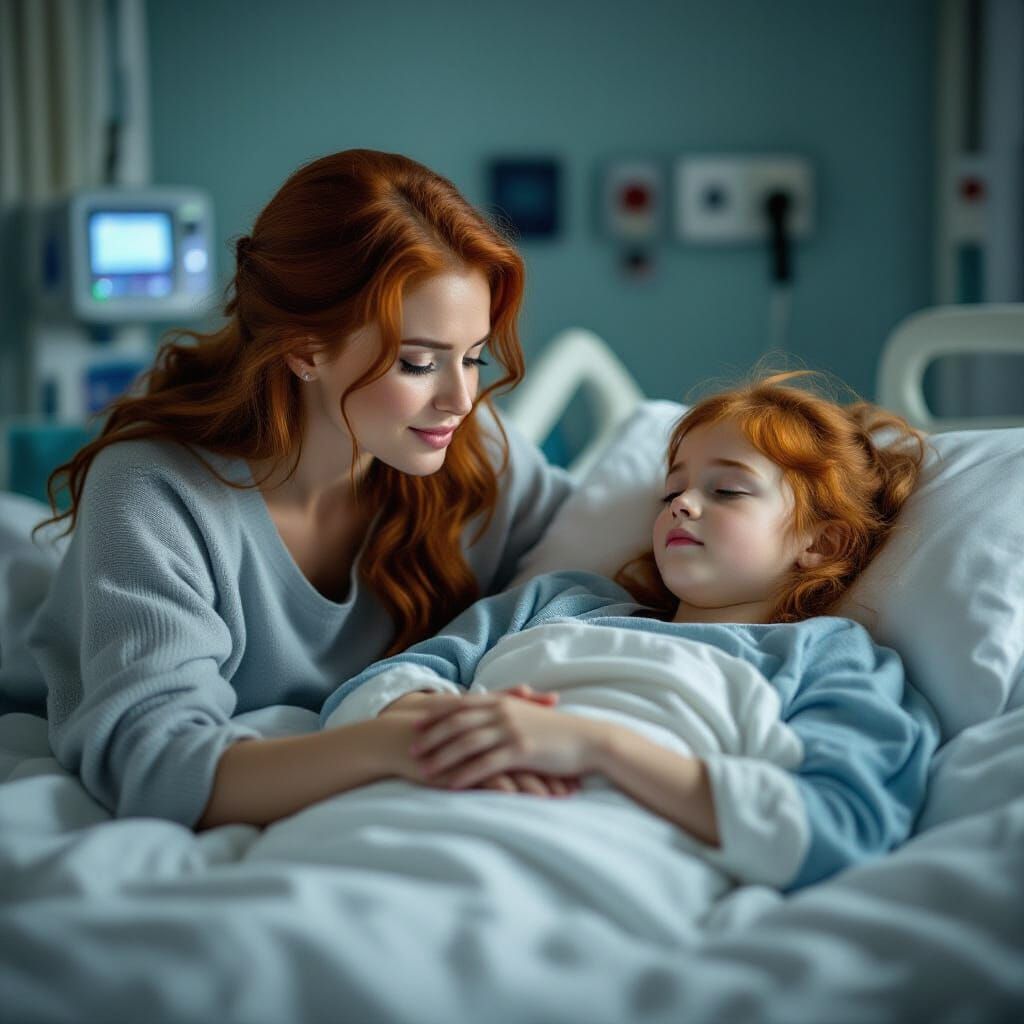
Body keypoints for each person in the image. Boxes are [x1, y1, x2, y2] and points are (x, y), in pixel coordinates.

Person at [21, 149, 576, 830]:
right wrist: (405, 743)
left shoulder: (471, 449)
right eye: (418, 362)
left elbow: (601, 557)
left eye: (472, 357)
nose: (460, 398)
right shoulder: (154, 493)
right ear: (306, 348)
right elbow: (158, 766)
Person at [320, 371, 940, 889]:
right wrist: (449, 732)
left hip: (587, 866)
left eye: (726, 490)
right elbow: (376, 686)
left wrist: (594, 746)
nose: (683, 504)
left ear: (819, 540)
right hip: (396, 824)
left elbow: (840, 825)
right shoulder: (561, 602)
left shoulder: (822, 657)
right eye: (672, 490)